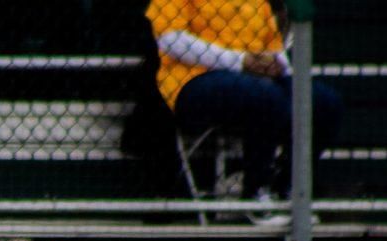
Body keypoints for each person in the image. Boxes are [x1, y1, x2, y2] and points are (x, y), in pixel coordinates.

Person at [145, 0, 342, 224]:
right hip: (193, 79)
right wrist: (239, 61)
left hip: (253, 78)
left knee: (324, 101)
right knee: (264, 96)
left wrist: (277, 66)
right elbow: (171, 40)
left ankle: (290, 190)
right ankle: (255, 195)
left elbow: (273, 47)